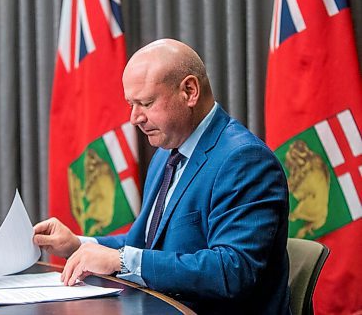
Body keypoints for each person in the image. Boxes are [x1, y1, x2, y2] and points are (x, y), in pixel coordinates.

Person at [34, 39, 290, 314]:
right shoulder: (167, 153)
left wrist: (121, 261)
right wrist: (78, 244)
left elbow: (232, 270)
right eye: (131, 103)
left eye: (145, 102)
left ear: (189, 91)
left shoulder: (245, 160)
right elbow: (143, 243)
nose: (134, 118)